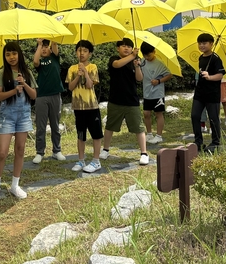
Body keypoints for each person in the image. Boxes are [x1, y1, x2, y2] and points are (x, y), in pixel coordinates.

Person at [0, 42, 37, 199]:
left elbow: (34, 95)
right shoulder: (2, 73)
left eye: (14, 53)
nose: (11, 57)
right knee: (2, 152)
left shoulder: (26, 73)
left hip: (24, 116)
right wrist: (14, 90)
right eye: (8, 54)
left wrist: (24, 84)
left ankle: (15, 185)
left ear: (19, 54)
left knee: (20, 149)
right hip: (7, 115)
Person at [99, 38, 149, 166]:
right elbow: (117, 65)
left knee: (139, 128)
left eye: (129, 46)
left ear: (132, 49)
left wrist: (137, 66)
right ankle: (105, 149)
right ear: (118, 48)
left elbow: (139, 79)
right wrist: (132, 56)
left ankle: (144, 153)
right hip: (115, 100)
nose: (126, 48)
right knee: (110, 126)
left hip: (132, 100)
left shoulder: (134, 61)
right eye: (123, 46)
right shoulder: (114, 59)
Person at [66, 40, 102, 173]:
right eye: (79, 51)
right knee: (81, 134)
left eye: (85, 51)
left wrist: (85, 73)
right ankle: (81, 160)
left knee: (96, 134)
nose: (82, 53)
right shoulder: (71, 69)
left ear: (90, 53)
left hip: (91, 106)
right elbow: (70, 87)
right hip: (78, 107)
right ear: (76, 52)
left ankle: (96, 161)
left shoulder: (93, 67)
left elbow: (89, 85)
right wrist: (77, 76)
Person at [32, 38, 65, 163]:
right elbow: (35, 61)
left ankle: (57, 151)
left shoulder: (55, 58)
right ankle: (40, 152)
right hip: (41, 96)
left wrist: (53, 39)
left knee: (55, 125)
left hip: (55, 95)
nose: (44, 49)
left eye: (47, 47)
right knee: (41, 126)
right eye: (42, 47)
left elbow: (55, 46)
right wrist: (39, 44)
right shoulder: (40, 62)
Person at [190, 33, 224, 153]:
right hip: (200, 93)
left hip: (212, 94)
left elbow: (220, 75)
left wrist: (210, 77)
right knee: (195, 116)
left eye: (204, 43)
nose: (201, 45)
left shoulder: (216, 58)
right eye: (199, 43)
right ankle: (198, 142)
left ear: (211, 44)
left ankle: (215, 142)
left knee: (213, 118)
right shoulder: (201, 57)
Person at [139, 42, 172, 144]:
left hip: (158, 93)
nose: (147, 57)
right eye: (144, 55)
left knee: (158, 114)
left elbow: (169, 75)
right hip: (147, 93)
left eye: (148, 55)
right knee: (146, 113)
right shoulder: (142, 61)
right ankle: (149, 134)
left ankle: (159, 135)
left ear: (154, 52)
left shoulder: (160, 64)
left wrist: (158, 81)